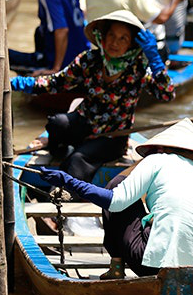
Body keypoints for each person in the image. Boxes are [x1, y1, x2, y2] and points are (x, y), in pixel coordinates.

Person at [35, 118, 193, 280]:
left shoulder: (158, 160)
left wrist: (68, 181)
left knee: (116, 185)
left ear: (162, 148)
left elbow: (114, 202)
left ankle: (116, 269)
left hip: (152, 266)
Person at [10, 10, 175, 182]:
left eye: (123, 38)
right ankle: (57, 150)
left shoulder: (138, 68)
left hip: (113, 136)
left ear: (131, 44)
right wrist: (18, 83)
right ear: (102, 36)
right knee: (56, 123)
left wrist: (156, 61)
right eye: (111, 35)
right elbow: (55, 83)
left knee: (77, 159)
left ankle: (66, 190)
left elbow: (167, 94)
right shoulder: (89, 60)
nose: (114, 43)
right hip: (84, 123)